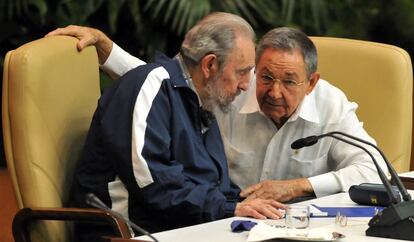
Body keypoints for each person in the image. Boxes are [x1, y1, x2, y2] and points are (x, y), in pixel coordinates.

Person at [47, 22, 385, 204]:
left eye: (289, 81)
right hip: (222, 216)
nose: (273, 91)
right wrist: (108, 51)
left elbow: (375, 169)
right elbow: (169, 87)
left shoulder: (329, 103)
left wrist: (299, 187)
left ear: (311, 83)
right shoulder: (234, 87)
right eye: (265, 76)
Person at [61, 12, 285, 241]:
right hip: (129, 233)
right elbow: (153, 182)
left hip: (181, 228)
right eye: (242, 72)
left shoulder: (200, 98)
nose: (246, 85)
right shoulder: (150, 87)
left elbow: (209, 181)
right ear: (210, 65)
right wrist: (228, 209)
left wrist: (244, 203)